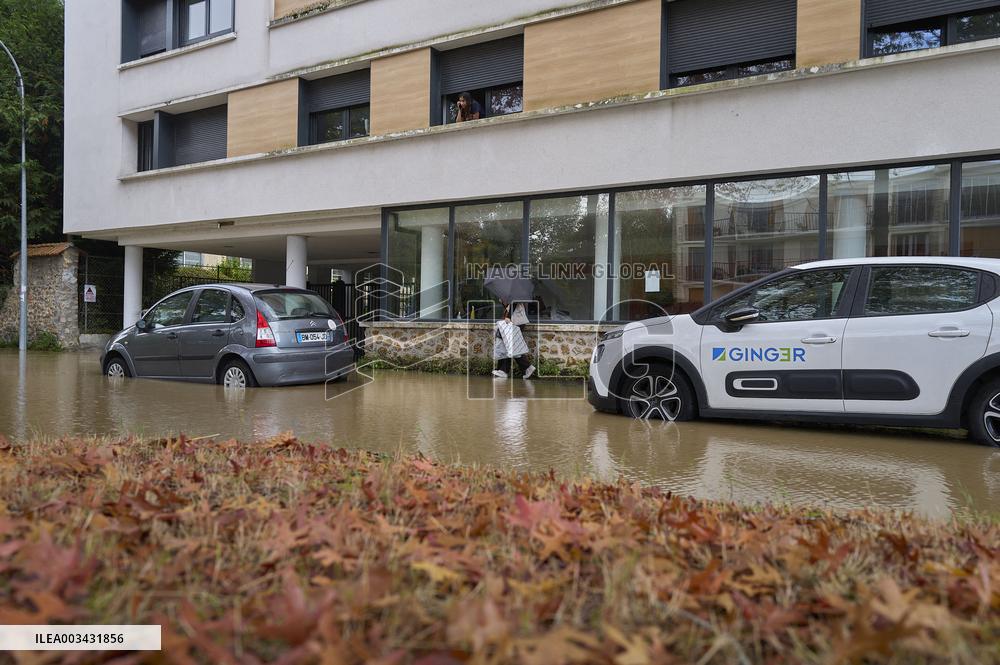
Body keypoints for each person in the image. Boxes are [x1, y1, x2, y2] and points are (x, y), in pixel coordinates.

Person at [492, 302, 535, 379]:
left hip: (515, 321)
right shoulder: (511, 297)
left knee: (509, 346)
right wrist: (503, 302)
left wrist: (508, 317)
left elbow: (514, 302)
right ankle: (526, 368)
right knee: (510, 346)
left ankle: (505, 370)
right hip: (515, 321)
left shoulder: (514, 297)